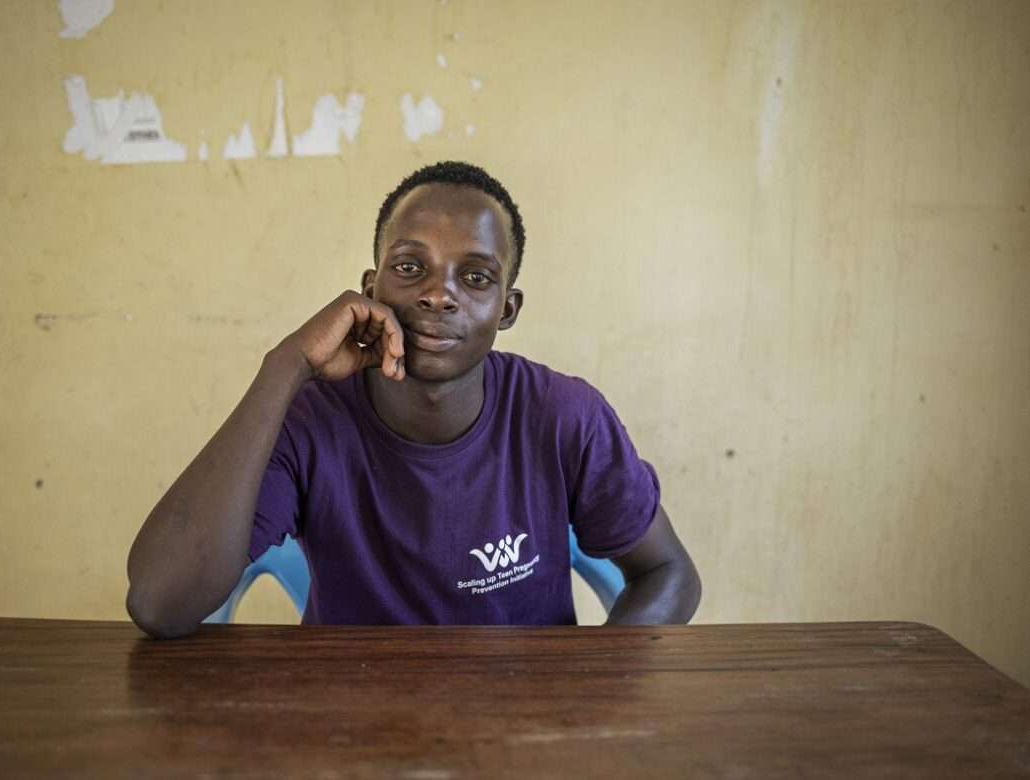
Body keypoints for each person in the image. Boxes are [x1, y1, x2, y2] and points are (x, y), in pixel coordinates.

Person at [126, 161, 701, 638]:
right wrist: (287, 364)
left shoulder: (563, 416)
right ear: (370, 289)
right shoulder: (311, 421)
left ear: (507, 309)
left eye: (475, 277)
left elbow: (668, 573)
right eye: (409, 267)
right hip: (347, 719)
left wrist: (588, 689)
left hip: (523, 723)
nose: (438, 295)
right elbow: (159, 603)